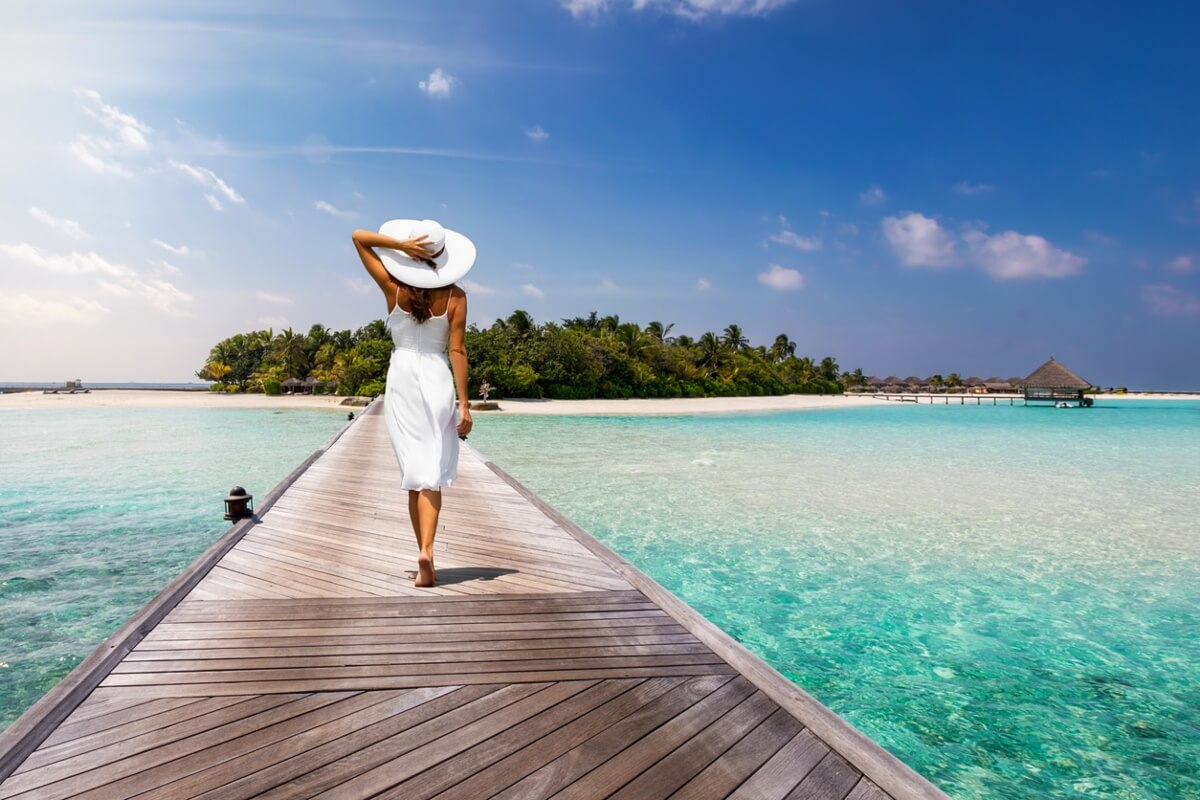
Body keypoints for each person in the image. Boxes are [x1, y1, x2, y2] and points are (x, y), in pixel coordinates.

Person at [352, 219, 475, 587]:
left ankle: (421, 553)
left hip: (402, 378)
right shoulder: (456, 297)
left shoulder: (393, 287)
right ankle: (429, 551)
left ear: (413, 256)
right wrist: (466, 405)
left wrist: (400, 246)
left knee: (413, 472)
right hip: (437, 376)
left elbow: (359, 238)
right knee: (431, 474)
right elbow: (458, 350)